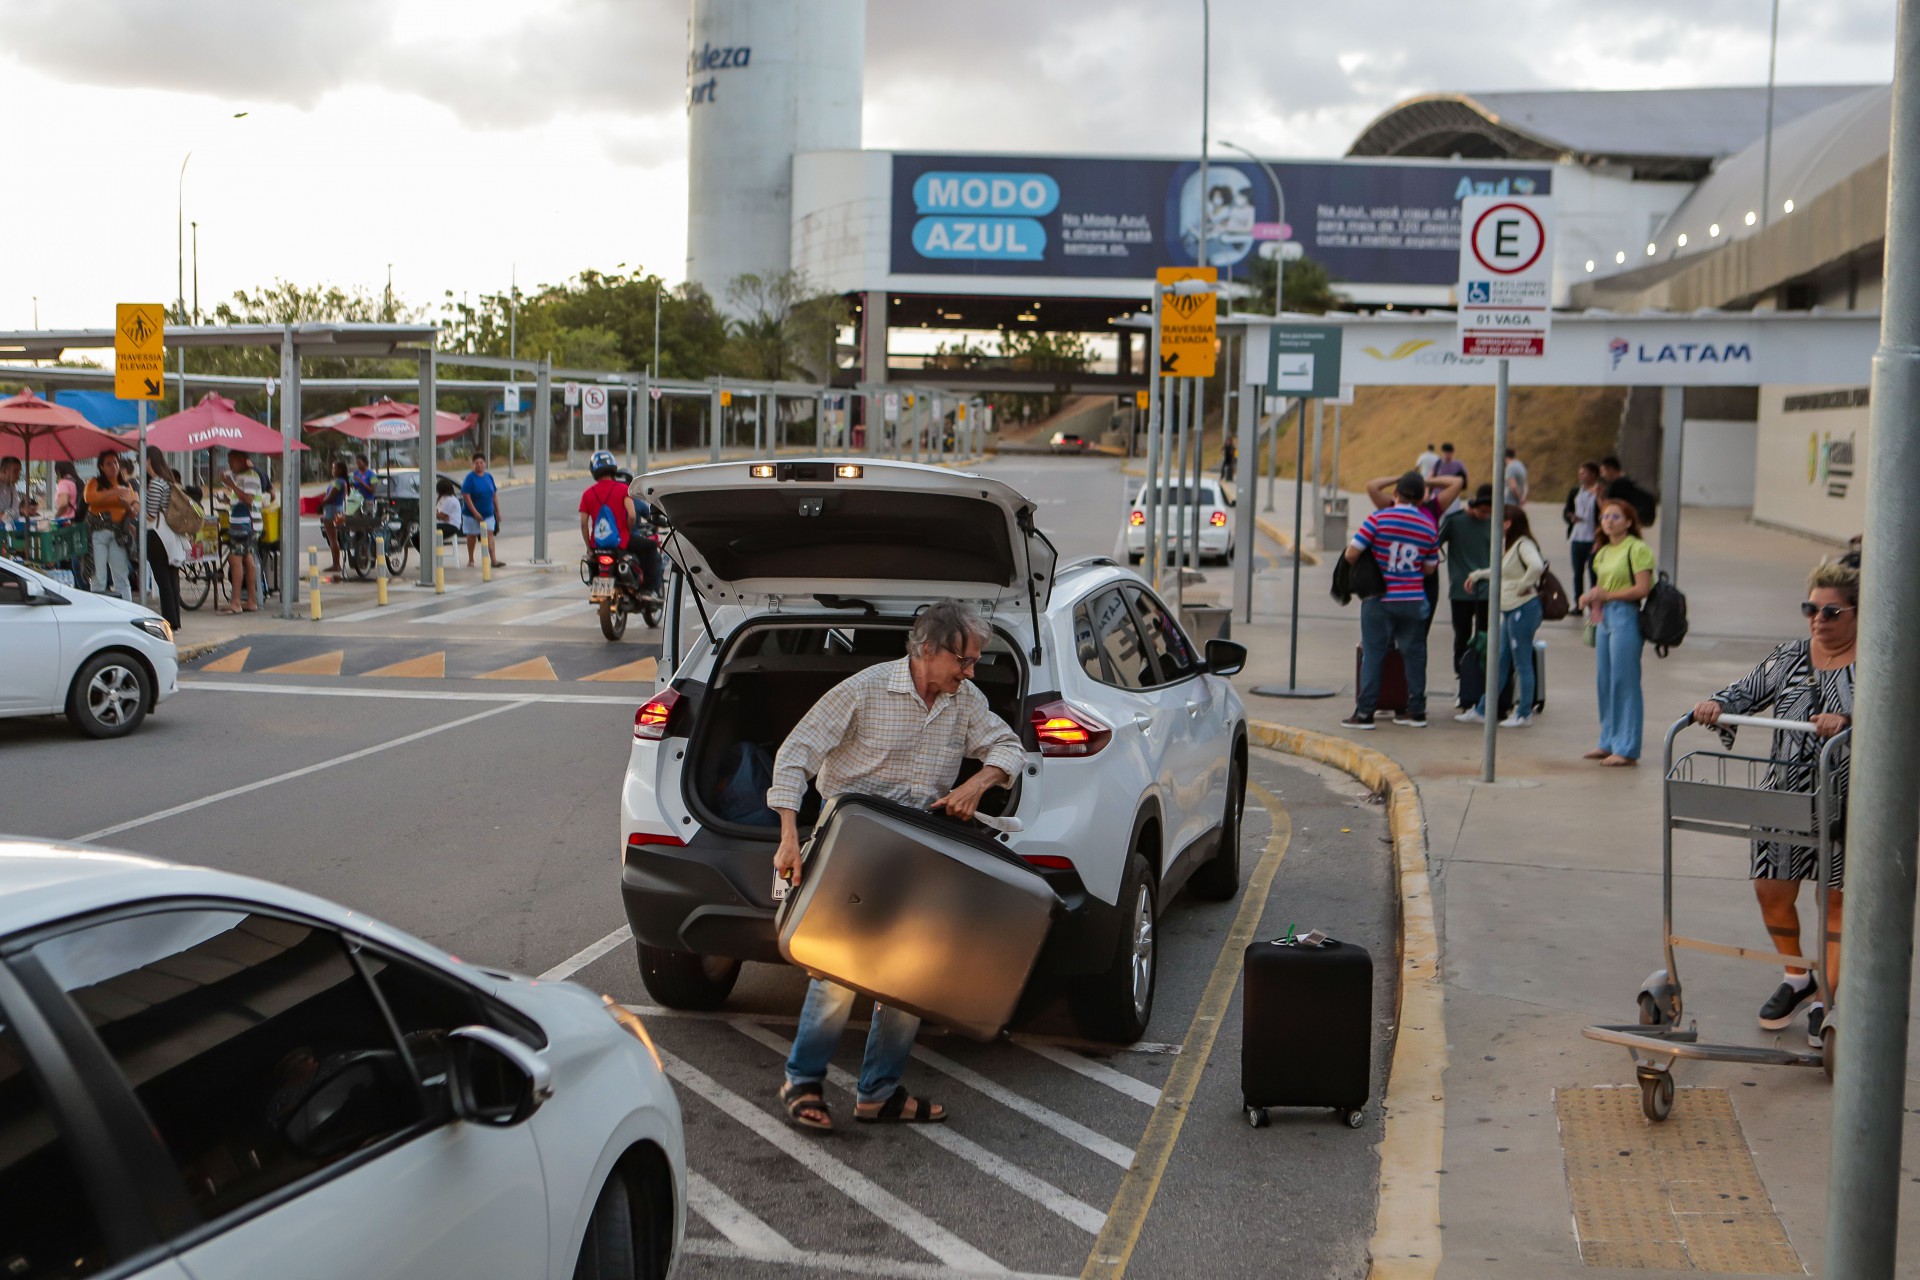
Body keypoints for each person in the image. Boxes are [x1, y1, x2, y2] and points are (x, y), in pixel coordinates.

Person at [768, 601, 1026, 1132]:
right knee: (838, 970)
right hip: (851, 845)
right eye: (965, 660)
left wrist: (977, 784)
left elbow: (1009, 746)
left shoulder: (964, 702)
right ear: (927, 649)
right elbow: (796, 753)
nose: (971, 672)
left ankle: (878, 1094)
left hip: (917, 855)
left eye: (976, 662)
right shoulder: (865, 690)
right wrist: (790, 838)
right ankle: (803, 1081)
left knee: (911, 976)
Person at [1691, 560, 1856, 1047]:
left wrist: (1849, 717)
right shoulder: (1790, 657)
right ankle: (1796, 977)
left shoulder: (1876, 661)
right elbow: (1746, 692)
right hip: (1784, 795)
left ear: (1856, 613)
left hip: (1848, 801)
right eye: (1811, 609)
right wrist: (1716, 705)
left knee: (1836, 899)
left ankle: (1827, 996)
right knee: (1771, 891)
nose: (1818, 620)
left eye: (1831, 612)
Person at [1341, 471, 1439, 730]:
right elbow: (1430, 569)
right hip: (1413, 599)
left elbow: (1352, 554)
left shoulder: (1377, 519)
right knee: (1415, 655)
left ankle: (1365, 714)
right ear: (1421, 498)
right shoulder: (1429, 526)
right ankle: (1417, 710)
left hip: (1379, 598)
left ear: (1395, 494)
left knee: (1373, 654)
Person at [1579, 498, 1654, 765]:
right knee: (1605, 680)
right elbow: (1600, 586)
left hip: (1625, 615)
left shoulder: (1637, 549)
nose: (1608, 521)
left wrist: (1607, 595)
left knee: (1625, 681)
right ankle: (1608, 740)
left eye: (1615, 517)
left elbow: (1642, 589)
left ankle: (1627, 746)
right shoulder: (1602, 551)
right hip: (1604, 617)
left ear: (1629, 522)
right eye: (1604, 517)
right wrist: (1590, 597)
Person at [1458, 507, 1545, 727]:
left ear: (1508, 523)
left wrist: (1523, 586)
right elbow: (1502, 571)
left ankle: (1524, 713)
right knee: (1500, 660)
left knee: (1522, 661)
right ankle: (1483, 708)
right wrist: (1478, 575)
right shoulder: (1511, 546)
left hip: (1522, 609)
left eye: (1499, 520)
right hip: (1509, 610)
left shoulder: (1524, 544)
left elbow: (1536, 566)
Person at [1366, 470, 1463, 648]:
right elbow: (1371, 487)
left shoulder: (1432, 507)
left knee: (1417, 638)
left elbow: (1457, 482)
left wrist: (1423, 481)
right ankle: (1393, 672)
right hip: (1395, 576)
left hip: (1425, 578)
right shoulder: (1392, 505)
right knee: (1389, 638)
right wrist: (1403, 479)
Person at [1434, 485, 1494, 693]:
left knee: (1485, 635)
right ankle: (1463, 677)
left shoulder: (1494, 523)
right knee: (1462, 635)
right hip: (1460, 590)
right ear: (1473, 506)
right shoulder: (1455, 522)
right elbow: (1434, 543)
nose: (1486, 515)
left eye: (1490, 511)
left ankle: (1483, 678)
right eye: (1483, 511)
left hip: (1488, 589)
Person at [83, 451, 136, 599]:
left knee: (121, 576)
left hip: (118, 533)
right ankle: (98, 613)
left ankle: (127, 612)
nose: (113, 466)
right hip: (98, 533)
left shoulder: (126, 485)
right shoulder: (95, 482)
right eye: (109, 463)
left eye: (116, 462)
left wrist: (128, 506)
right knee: (99, 577)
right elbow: (89, 498)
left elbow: (134, 512)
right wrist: (114, 492)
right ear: (101, 467)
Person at [142, 446, 185, 630]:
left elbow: (151, 515)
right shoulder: (169, 482)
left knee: (162, 580)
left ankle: (169, 621)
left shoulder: (155, 484)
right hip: (171, 535)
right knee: (172, 579)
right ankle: (175, 620)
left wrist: (135, 505)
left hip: (156, 534)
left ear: (149, 460)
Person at [220, 449, 265, 613]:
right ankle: (251, 600)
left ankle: (236, 602)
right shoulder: (240, 477)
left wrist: (231, 484)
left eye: (232, 460)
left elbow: (247, 499)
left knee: (235, 560)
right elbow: (238, 497)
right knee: (248, 560)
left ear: (243, 460)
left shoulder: (251, 476)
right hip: (244, 524)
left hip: (246, 526)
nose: (230, 464)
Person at [1562, 461, 1602, 596]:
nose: (1581, 476)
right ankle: (1578, 601)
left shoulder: (1600, 491)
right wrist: (1571, 517)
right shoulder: (1575, 492)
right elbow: (1567, 510)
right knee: (1577, 572)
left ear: (1593, 474)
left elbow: (1605, 510)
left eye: (1584, 473)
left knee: (1594, 572)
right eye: (1579, 473)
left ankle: (1594, 602)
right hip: (1577, 537)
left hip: (1593, 538)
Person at [460, 452, 502, 567]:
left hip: (488, 514)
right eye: (476, 463)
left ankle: (493, 560)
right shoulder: (470, 478)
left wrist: (498, 511)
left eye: (481, 463)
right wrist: (475, 513)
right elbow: (466, 496)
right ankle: (471, 559)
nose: (479, 465)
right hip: (471, 514)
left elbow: (494, 495)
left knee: (490, 535)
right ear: (473, 465)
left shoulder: (489, 477)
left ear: (485, 463)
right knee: (472, 536)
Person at [1600, 456, 1656, 526]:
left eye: (1603, 471)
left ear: (1610, 469)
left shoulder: (1617, 485)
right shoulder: (1630, 482)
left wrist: (1598, 495)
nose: (1602, 475)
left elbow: (1606, 508)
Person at [320, 461, 350, 574]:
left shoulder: (338, 482)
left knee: (332, 539)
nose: (333, 470)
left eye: (335, 468)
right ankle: (336, 563)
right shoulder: (342, 482)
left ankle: (336, 564)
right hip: (338, 509)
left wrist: (320, 505)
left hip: (331, 510)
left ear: (340, 470)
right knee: (334, 538)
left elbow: (331, 497)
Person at [433, 476, 463, 547]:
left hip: (451, 526)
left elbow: (442, 517)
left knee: (428, 532)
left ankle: (429, 555)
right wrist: (437, 513)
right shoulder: (443, 499)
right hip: (443, 523)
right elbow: (438, 513)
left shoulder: (450, 500)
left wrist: (435, 512)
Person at [53, 460, 79, 524]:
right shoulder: (77, 482)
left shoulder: (63, 483)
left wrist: (56, 517)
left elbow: (64, 504)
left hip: (66, 521)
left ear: (58, 471)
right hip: (78, 519)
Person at [0, 455, 20, 522]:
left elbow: (15, 511)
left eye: (19, 472)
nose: (18, 476)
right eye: (15, 472)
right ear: (4, 471)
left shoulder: (12, 486)